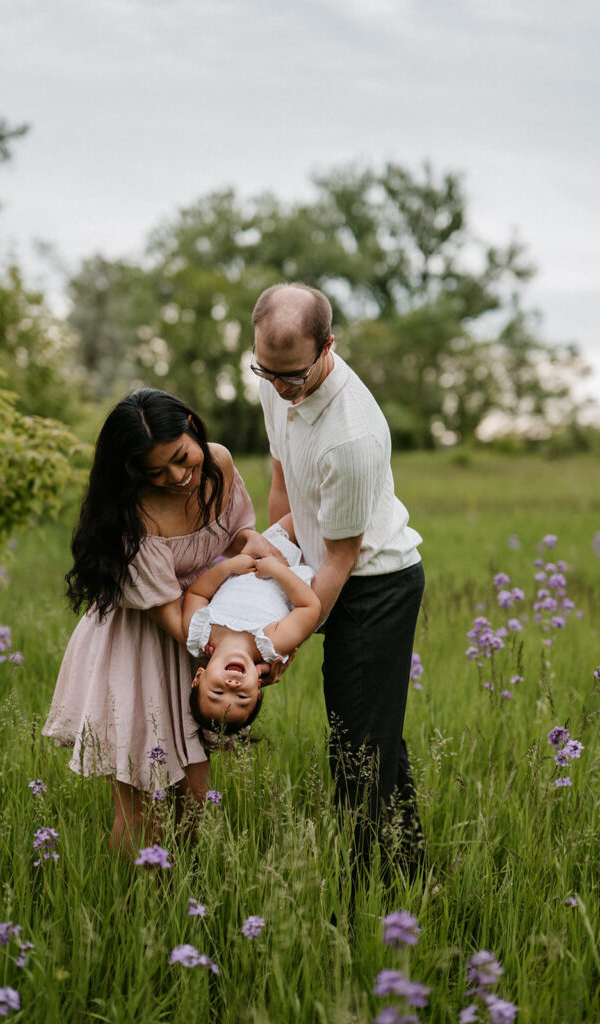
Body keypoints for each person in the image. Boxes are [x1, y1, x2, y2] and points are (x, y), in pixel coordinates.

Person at [42, 387, 280, 853]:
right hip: (144, 645)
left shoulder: (219, 464)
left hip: (203, 634)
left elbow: (234, 533)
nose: (178, 477)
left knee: (194, 800)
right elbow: (174, 618)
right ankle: (124, 911)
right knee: (142, 809)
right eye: (156, 471)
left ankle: (182, 906)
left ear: (192, 424)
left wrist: (250, 541)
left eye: (181, 457)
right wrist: (243, 656)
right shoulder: (132, 515)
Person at [251, 282, 426, 884]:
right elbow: (282, 486)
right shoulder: (276, 378)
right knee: (369, 735)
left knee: (359, 749)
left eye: (292, 377)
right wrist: (272, 574)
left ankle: (370, 889)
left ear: (328, 346)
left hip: (374, 586)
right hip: (321, 563)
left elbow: (342, 558)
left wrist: (284, 642)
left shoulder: (352, 435)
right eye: (265, 372)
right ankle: (411, 875)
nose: (279, 388)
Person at [185, 522, 320, 736]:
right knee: (309, 512)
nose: (232, 685)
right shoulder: (271, 644)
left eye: (217, 692)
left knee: (286, 495)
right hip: (299, 560)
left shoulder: (200, 631)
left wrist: (227, 567)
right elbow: (309, 608)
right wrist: (277, 570)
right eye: (241, 697)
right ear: (257, 689)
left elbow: (197, 594)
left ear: (199, 677)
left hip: (263, 544)